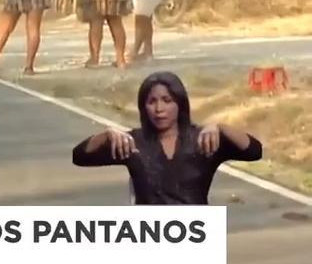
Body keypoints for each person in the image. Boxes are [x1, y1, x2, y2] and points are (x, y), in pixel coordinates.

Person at [72, 71, 263, 205]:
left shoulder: (203, 140)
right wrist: (107, 134)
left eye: (167, 101)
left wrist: (221, 127)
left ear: (179, 103)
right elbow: (80, 156)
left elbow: (254, 151)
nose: (159, 109)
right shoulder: (133, 143)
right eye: (151, 102)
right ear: (143, 107)